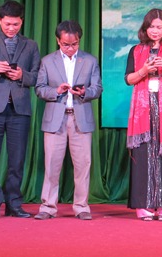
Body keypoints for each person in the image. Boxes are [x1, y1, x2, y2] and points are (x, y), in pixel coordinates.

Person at [0, 0, 41, 219]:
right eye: (8, 24)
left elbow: (37, 77)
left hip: (19, 110)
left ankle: (14, 204)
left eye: (16, 24)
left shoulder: (31, 45)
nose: (12, 28)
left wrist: (22, 75)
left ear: (22, 21)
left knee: (17, 160)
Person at [34, 20, 102, 220]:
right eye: (66, 44)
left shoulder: (90, 61)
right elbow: (39, 88)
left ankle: (81, 207)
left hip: (80, 118)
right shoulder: (48, 61)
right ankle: (48, 206)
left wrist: (84, 92)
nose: (70, 48)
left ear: (79, 40)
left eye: (75, 44)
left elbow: (97, 88)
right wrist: (56, 91)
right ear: (58, 40)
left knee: (83, 165)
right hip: (56, 119)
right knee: (51, 165)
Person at [125, 8, 162, 221]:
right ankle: (144, 206)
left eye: (159, 27)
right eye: (151, 26)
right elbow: (129, 79)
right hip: (143, 110)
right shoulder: (135, 50)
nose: (155, 31)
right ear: (145, 28)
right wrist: (143, 70)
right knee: (143, 155)